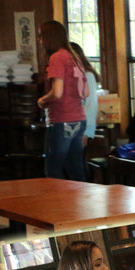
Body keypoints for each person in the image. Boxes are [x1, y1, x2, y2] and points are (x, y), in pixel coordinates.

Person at [37, 21, 92, 181]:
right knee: (76, 170)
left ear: (49, 38)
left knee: (53, 171)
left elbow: (57, 92)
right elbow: (86, 91)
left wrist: (43, 99)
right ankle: (81, 204)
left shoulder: (57, 58)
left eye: (41, 36)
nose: (39, 40)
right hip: (79, 119)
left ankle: (56, 205)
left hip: (61, 120)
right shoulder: (74, 57)